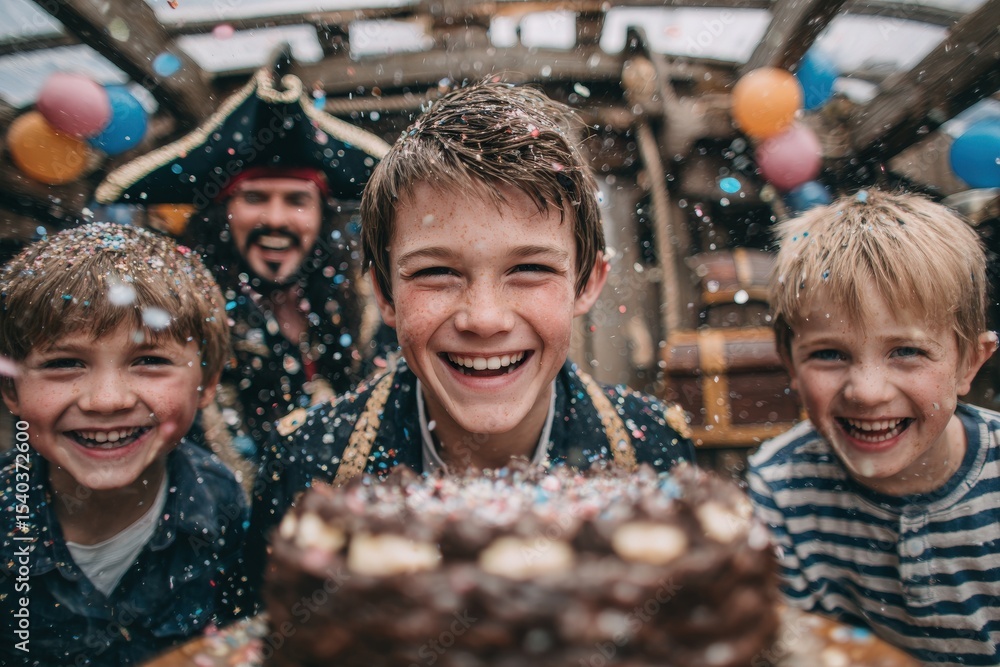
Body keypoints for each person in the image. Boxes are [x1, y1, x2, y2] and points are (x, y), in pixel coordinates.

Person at [245, 80, 696, 597]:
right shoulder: (306, 464)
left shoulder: (655, 447)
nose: (484, 319)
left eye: (528, 268)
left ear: (587, 283)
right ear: (385, 295)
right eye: (437, 272)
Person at [95, 55, 394, 461]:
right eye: (254, 198)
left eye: (296, 201)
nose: (275, 219)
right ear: (223, 216)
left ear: (321, 218)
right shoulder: (172, 316)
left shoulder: (365, 306)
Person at [746, 190, 1000, 665]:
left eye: (907, 351)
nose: (866, 391)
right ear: (791, 366)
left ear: (970, 363)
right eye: (829, 354)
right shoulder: (781, 488)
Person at [0, 223, 248, 666]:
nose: (107, 401)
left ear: (206, 382)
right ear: (12, 390)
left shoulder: (223, 503)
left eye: (149, 361)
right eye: (64, 363)